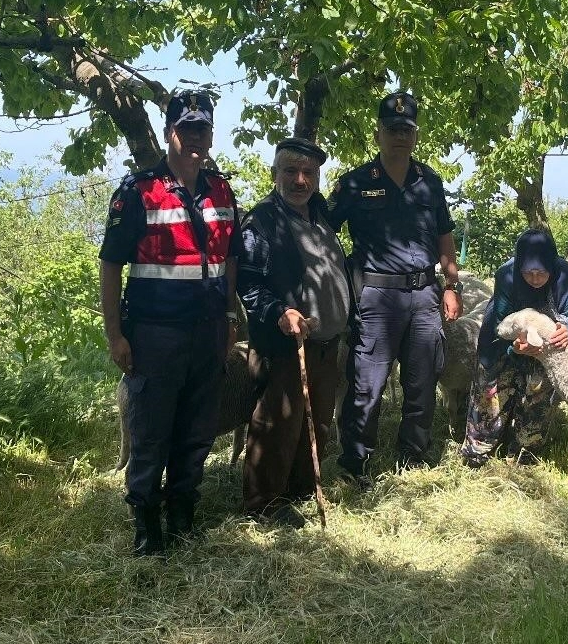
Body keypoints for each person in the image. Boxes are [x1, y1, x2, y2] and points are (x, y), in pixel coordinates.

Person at [99, 90, 240, 556]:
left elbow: (230, 260)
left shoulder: (221, 191)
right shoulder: (138, 191)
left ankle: (183, 517)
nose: (195, 138)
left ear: (210, 136)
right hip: (155, 333)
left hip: (208, 331)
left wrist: (230, 317)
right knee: (151, 432)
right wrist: (115, 335)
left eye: (203, 130)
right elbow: (111, 264)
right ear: (169, 133)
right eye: (186, 129)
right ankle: (147, 528)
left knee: (197, 431)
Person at [329, 91, 463, 487]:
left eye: (407, 130)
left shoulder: (429, 182)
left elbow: (444, 235)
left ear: (415, 135)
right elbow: (322, 231)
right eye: (392, 129)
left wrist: (451, 285)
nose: (400, 136)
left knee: (422, 381)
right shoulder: (355, 183)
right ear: (378, 134)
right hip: (375, 297)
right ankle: (355, 463)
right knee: (366, 384)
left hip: (424, 296)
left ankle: (413, 455)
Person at [237, 137, 353, 527]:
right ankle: (263, 503)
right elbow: (248, 283)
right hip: (285, 342)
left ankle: (300, 489)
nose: (300, 180)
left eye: (309, 173)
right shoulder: (262, 222)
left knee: (316, 419)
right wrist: (279, 312)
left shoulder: (319, 213)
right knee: (278, 422)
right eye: (290, 171)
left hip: (325, 341)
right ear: (275, 174)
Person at [459, 228, 568, 467]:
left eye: (541, 273)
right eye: (528, 273)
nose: (535, 279)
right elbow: (501, 321)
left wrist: (566, 330)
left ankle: (524, 452)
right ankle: (479, 451)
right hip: (503, 338)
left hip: (547, 344)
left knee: (539, 392)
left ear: (552, 266)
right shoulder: (507, 276)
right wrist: (514, 347)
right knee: (492, 394)